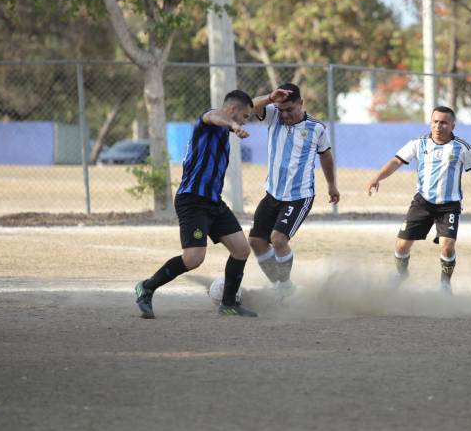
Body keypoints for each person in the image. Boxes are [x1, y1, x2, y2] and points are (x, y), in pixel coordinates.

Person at [134, 90, 258, 318]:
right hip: (192, 200)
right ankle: (146, 287)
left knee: (241, 250)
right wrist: (233, 125)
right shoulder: (210, 120)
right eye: (245, 116)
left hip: (213, 202)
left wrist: (272, 98)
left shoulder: (229, 119)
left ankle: (229, 304)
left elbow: (250, 105)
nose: (245, 121)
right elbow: (214, 117)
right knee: (193, 259)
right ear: (232, 110)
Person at [365, 106, 471, 294]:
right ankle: (401, 274)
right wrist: (377, 177)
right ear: (430, 122)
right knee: (401, 245)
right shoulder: (419, 144)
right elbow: (396, 161)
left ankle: (445, 284)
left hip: (449, 205)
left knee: (447, 247)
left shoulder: (462, 147)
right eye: (435, 122)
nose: (438, 126)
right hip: (422, 202)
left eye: (443, 122)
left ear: (452, 125)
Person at [247, 83, 340, 292]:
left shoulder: (316, 128)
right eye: (281, 110)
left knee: (278, 240)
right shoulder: (273, 116)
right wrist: (271, 98)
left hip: (299, 196)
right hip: (272, 194)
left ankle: (285, 286)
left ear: (301, 103)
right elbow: (249, 106)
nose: (285, 115)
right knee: (255, 241)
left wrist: (332, 185)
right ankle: (282, 286)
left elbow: (326, 156)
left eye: (290, 109)